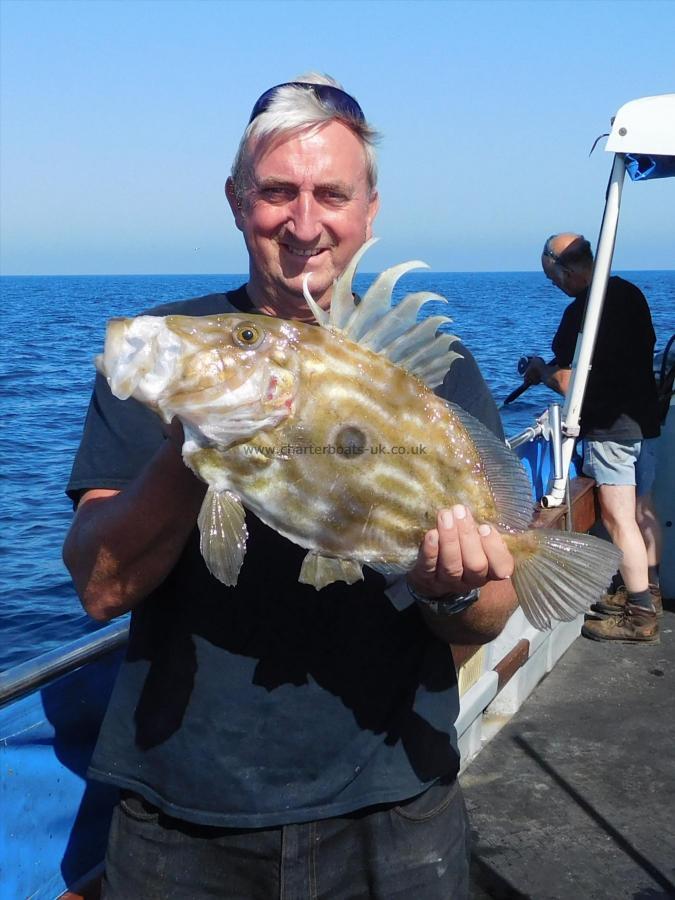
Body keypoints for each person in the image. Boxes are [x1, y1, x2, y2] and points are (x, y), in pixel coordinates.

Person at [63, 74, 517, 899]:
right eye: (277, 191)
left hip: (394, 801)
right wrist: (188, 447)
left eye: (330, 194)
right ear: (238, 202)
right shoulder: (180, 361)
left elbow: (491, 607)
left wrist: (451, 588)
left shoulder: (431, 371)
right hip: (183, 816)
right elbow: (99, 590)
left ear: (369, 211)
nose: (304, 223)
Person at [524, 233, 662, 643]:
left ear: (565, 270)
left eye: (555, 281)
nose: (557, 288)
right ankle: (648, 590)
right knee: (643, 513)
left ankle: (640, 615)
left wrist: (540, 370)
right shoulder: (629, 294)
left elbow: (572, 382)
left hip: (609, 429)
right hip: (644, 420)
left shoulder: (583, 311)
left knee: (619, 519)